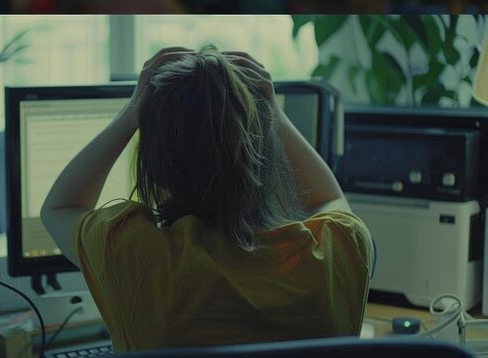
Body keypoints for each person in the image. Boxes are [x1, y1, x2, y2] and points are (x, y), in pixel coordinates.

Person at [41, 45, 374, 352]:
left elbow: (61, 206)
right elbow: (327, 198)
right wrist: (273, 111)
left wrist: (132, 112)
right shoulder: (336, 250)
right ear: (264, 158)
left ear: (155, 170)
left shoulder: (131, 251)